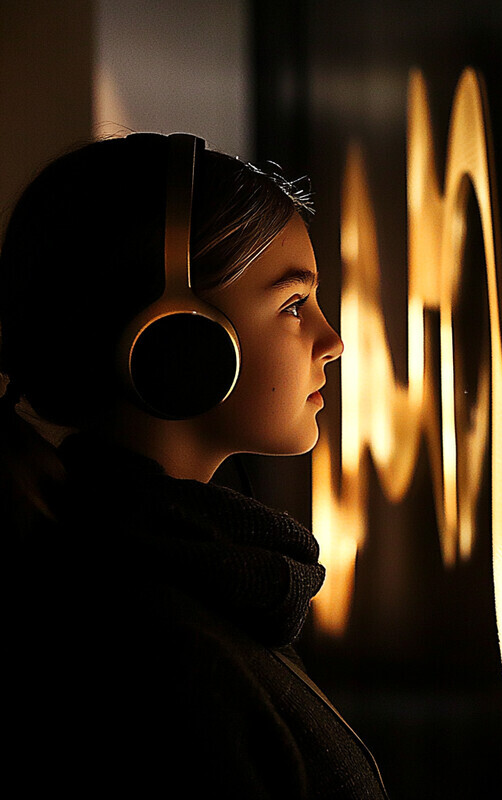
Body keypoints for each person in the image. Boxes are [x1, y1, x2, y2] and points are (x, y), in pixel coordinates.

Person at [0, 133, 387, 798]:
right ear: (179, 340)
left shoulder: (191, 580)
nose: (334, 341)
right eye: (294, 304)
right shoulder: (156, 655)